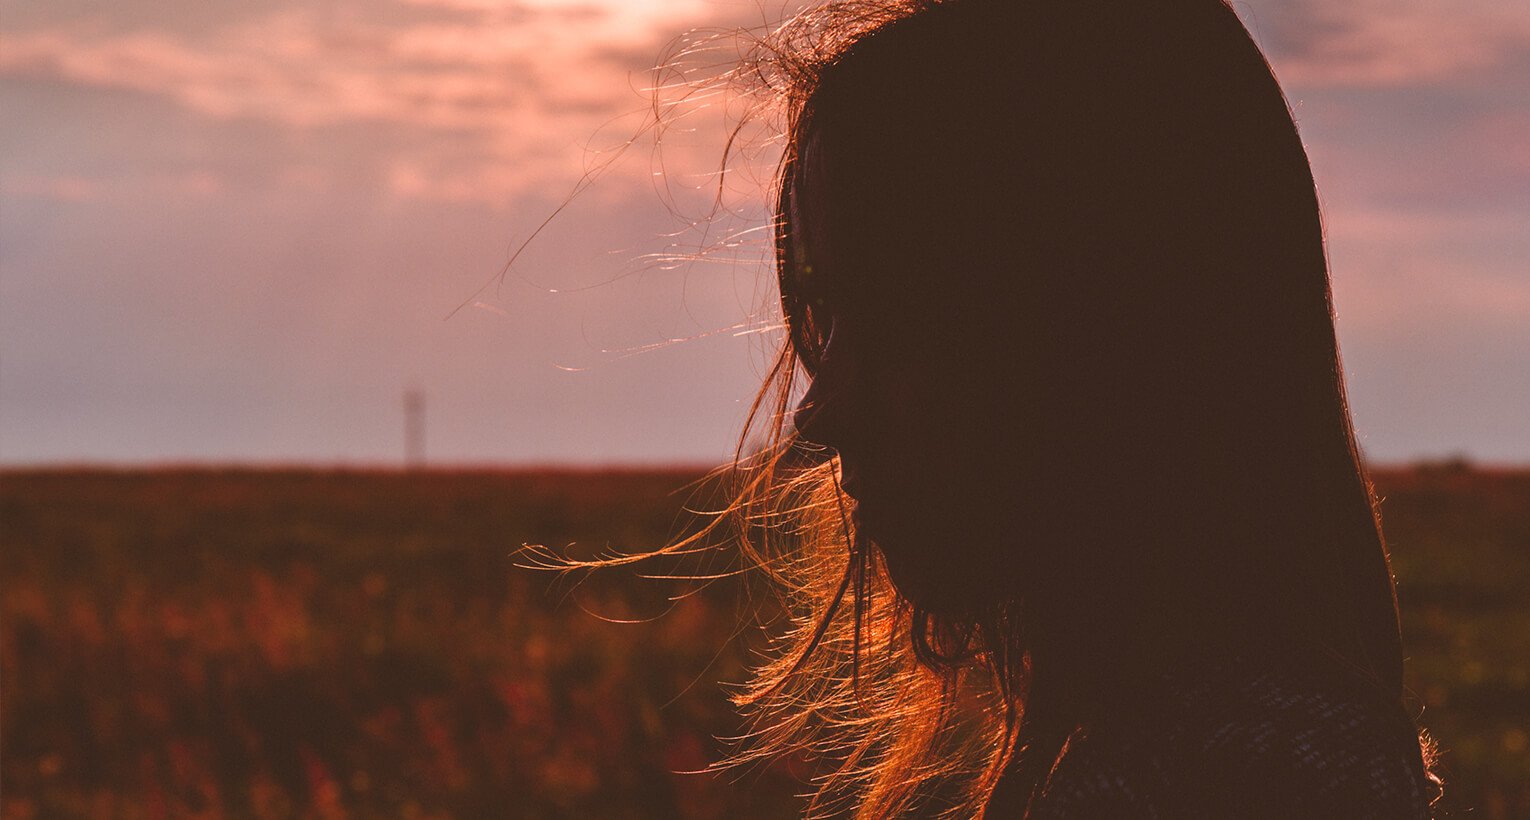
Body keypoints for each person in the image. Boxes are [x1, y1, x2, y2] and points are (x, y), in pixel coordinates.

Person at [595, 0, 1442, 816]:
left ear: (1107, 332)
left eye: (903, 317)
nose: (820, 412)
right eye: (824, 316)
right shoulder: (1230, 745)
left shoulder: (1236, 775)